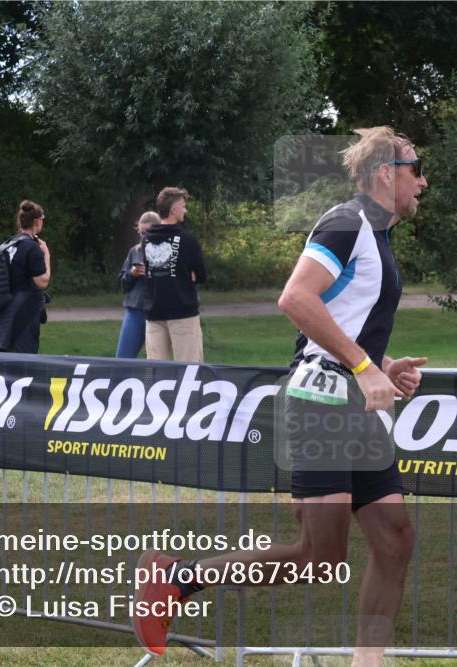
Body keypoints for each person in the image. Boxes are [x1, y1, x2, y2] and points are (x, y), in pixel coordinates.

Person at [132, 126, 429, 666]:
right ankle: (176, 578)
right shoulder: (347, 223)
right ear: (386, 171)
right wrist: (365, 367)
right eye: (416, 168)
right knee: (319, 558)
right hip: (320, 404)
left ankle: (369, 663)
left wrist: (384, 365)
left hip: (351, 403)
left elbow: (335, 319)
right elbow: (295, 299)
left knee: (395, 537)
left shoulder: (376, 235)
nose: (423, 182)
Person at [143, 187, 207, 362]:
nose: (185, 210)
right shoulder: (187, 240)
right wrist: (188, 274)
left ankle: (153, 390)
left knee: (155, 370)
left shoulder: (146, 239)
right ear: (173, 210)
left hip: (154, 311)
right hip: (182, 312)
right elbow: (201, 274)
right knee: (190, 369)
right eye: (183, 206)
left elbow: (149, 272)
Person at [0, 200, 50, 354]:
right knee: (23, 368)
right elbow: (42, 281)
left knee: (4, 366)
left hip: (3, 312)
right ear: (37, 221)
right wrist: (46, 254)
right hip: (24, 317)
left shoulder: (9, 243)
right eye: (42, 219)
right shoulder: (33, 248)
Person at [116, 212, 157, 358]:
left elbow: (173, 282)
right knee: (123, 358)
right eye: (141, 232)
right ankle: (121, 380)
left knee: (154, 360)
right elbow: (123, 284)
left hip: (157, 310)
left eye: (148, 232)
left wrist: (151, 273)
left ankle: (150, 381)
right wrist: (131, 274)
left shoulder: (168, 251)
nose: (144, 236)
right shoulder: (135, 251)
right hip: (135, 308)